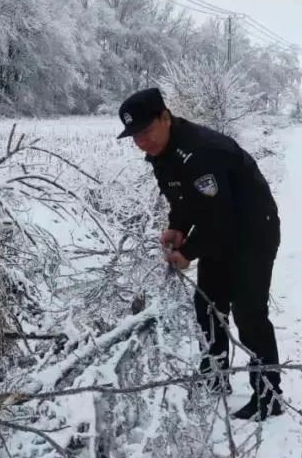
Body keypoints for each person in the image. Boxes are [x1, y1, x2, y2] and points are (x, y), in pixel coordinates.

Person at [116, 87, 283, 420]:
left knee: (248, 314)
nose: (142, 142)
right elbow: (185, 199)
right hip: (220, 229)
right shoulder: (162, 154)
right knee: (207, 305)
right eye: (135, 136)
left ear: (165, 117)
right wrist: (176, 226)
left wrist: (189, 251)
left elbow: (220, 217)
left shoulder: (203, 151)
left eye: (146, 131)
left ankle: (268, 395)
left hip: (252, 231)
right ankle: (214, 376)